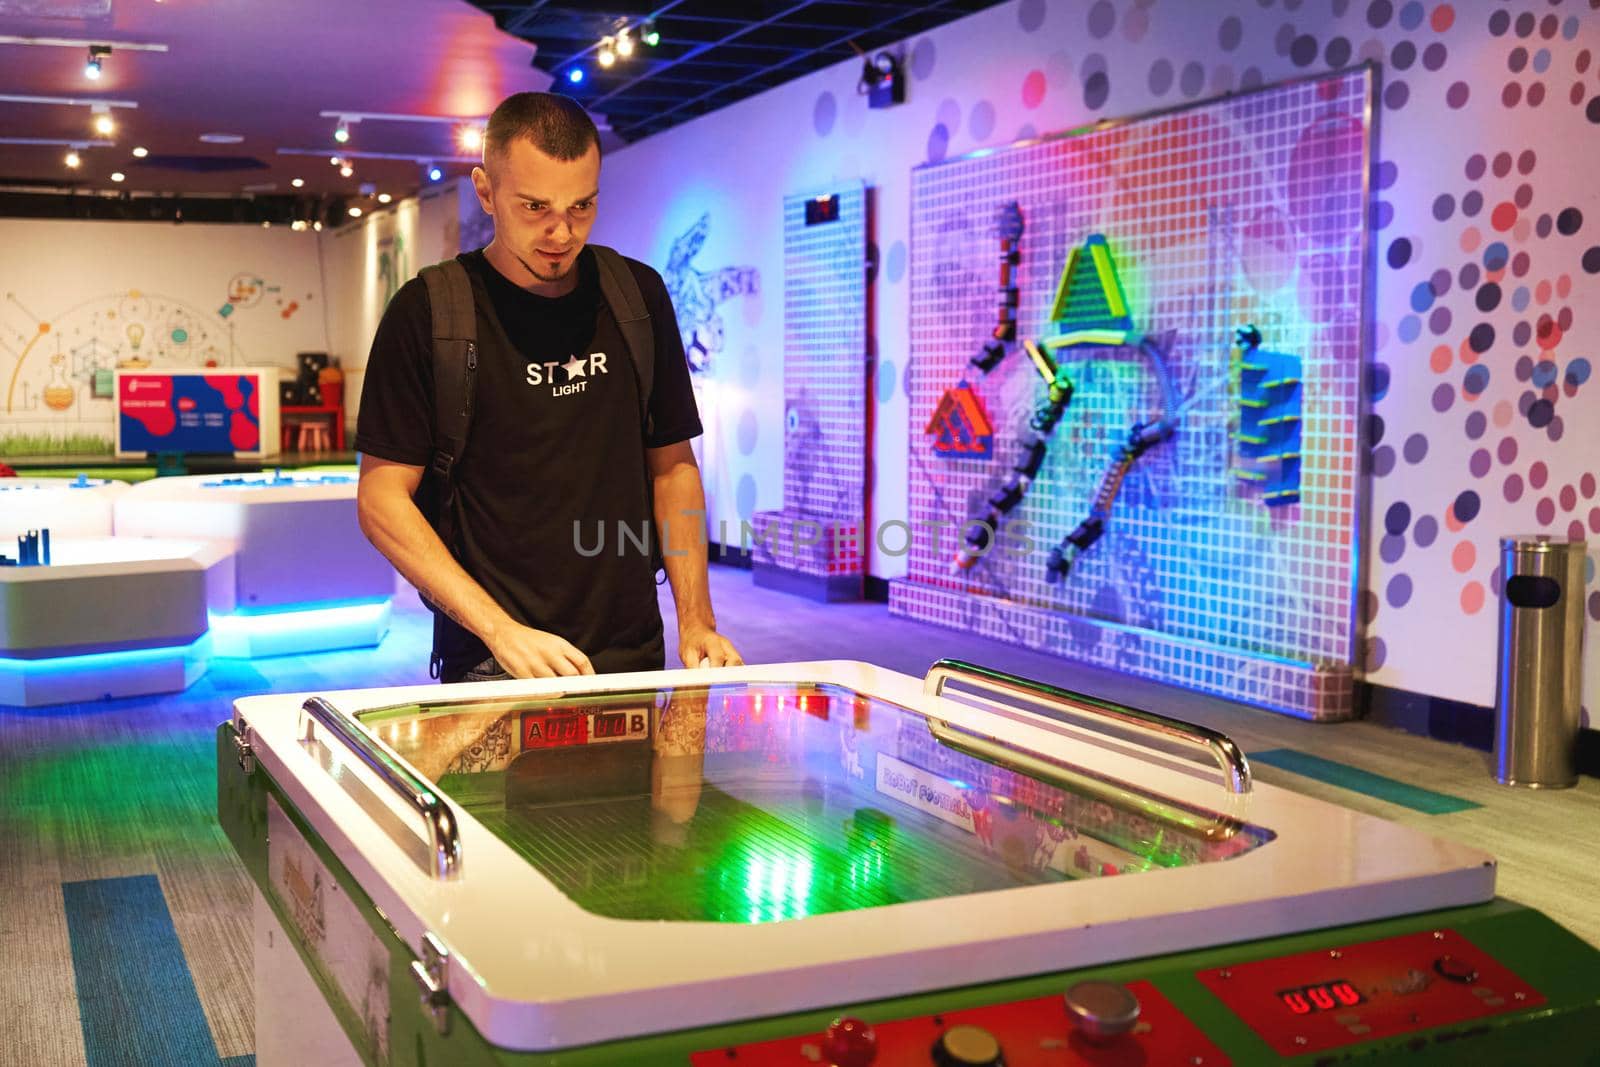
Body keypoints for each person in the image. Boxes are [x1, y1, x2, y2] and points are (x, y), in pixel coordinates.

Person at [354, 91, 741, 682]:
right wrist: (498, 629)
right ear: (485, 192)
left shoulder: (637, 296)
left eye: (582, 206)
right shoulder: (429, 312)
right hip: (492, 660)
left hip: (630, 653)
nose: (561, 232)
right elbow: (382, 500)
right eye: (534, 207)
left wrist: (696, 620)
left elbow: (672, 467)